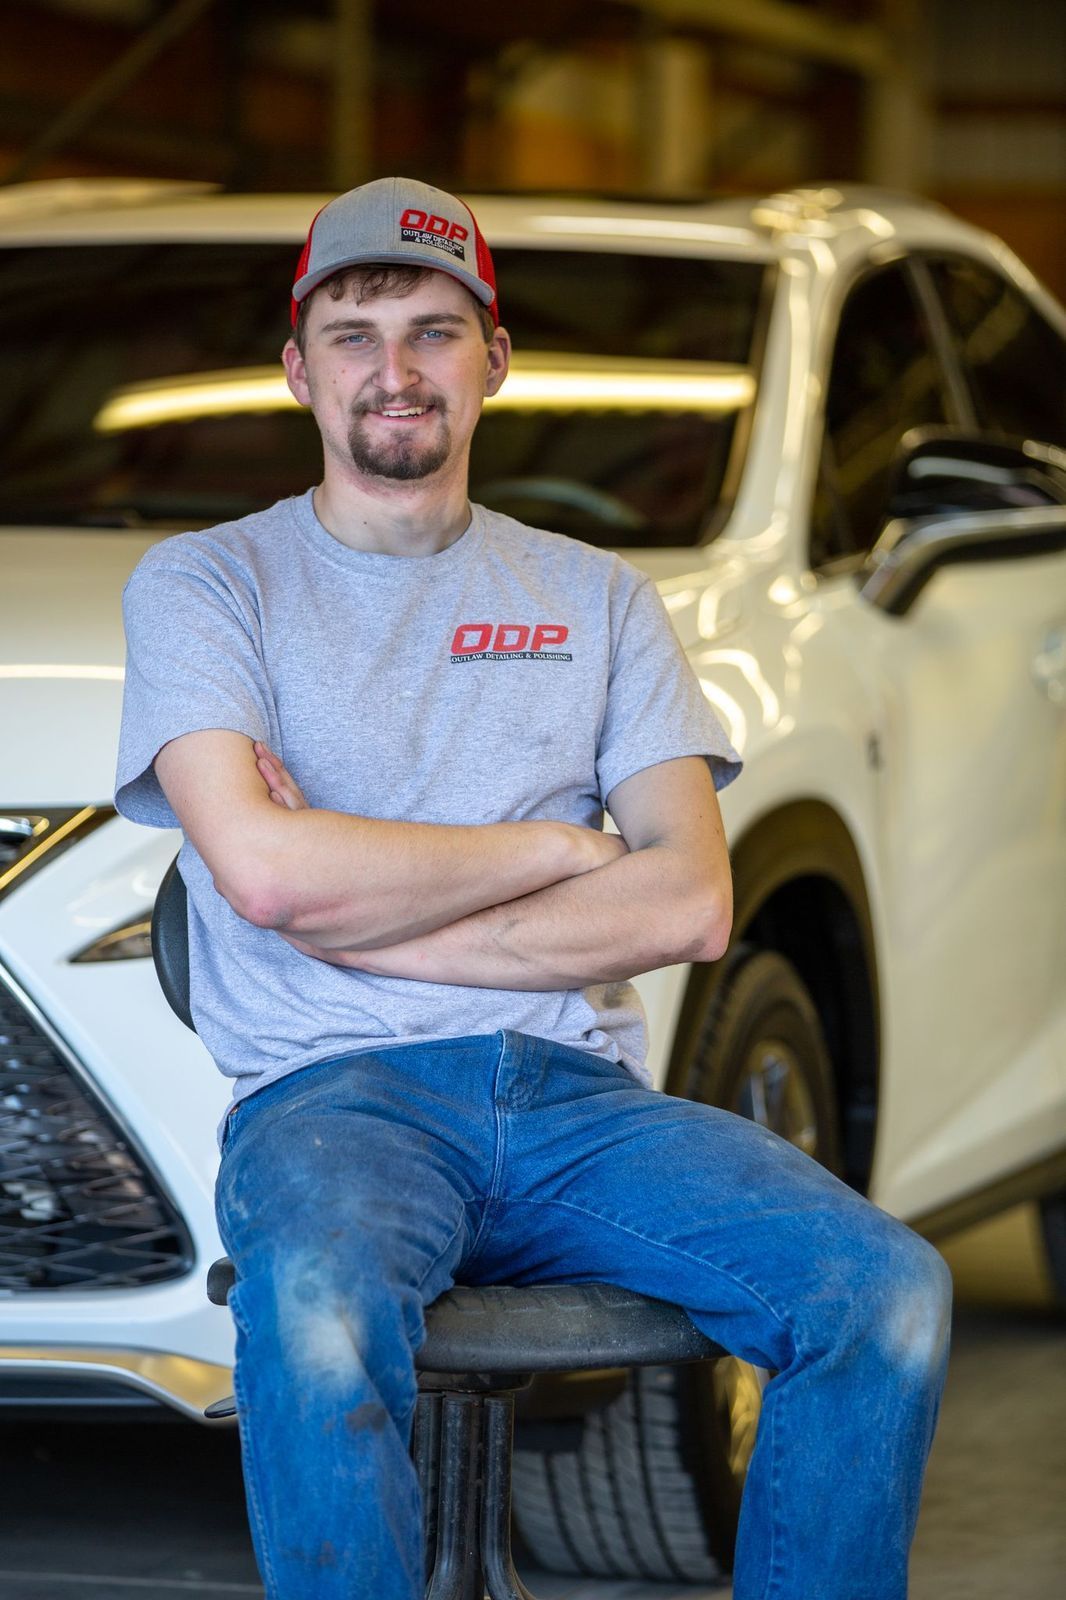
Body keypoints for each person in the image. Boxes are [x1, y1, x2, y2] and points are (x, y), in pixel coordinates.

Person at [115, 176, 951, 1600]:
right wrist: (560, 851)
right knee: (315, 1314)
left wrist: (363, 897)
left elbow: (688, 905)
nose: (395, 370)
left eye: (435, 331)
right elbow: (260, 875)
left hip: (578, 1105)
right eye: (355, 332)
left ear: (494, 360)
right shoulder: (209, 588)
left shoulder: (601, 599)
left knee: (885, 1296)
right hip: (334, 1101)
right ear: (295, 367)